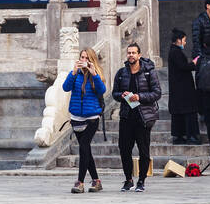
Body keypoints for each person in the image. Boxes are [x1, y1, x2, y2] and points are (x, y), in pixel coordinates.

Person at [113, 43, 160, 192]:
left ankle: (141, 180)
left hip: (143, 117)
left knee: (143, 150)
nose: (131, 55)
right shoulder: (121, 73)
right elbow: (114, 93)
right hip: (126, 116)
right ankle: (128, 179)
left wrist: (140, 97)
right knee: (124, 149)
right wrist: (122, 95)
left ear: (139, 55)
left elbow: (157, 93)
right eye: (129, 53)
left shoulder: (148, 72)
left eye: (134, 53)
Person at [62, 47, 106, 193]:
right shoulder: (75, 74)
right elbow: (65, 88)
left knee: (83, 147)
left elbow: (101, 90)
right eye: (82, 57)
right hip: (76, 118)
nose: (84, 60)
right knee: (85, 149)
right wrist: (73, 72)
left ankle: (80, 181)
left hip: (92, 117)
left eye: (87, 58)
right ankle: (96, 181)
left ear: (92, 60)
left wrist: (94, 73)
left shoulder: (96, 74)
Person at [167, 30, 199, 145]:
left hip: (179, 88)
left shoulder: (174, 51)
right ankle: (190, 136)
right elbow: (183, 67)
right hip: (182, 88)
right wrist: (194, 63)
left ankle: (180, 135)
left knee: (180, 112)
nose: (185, 43)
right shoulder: (175, 52)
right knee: (188, 111)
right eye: (184, 40)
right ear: (178, 40)